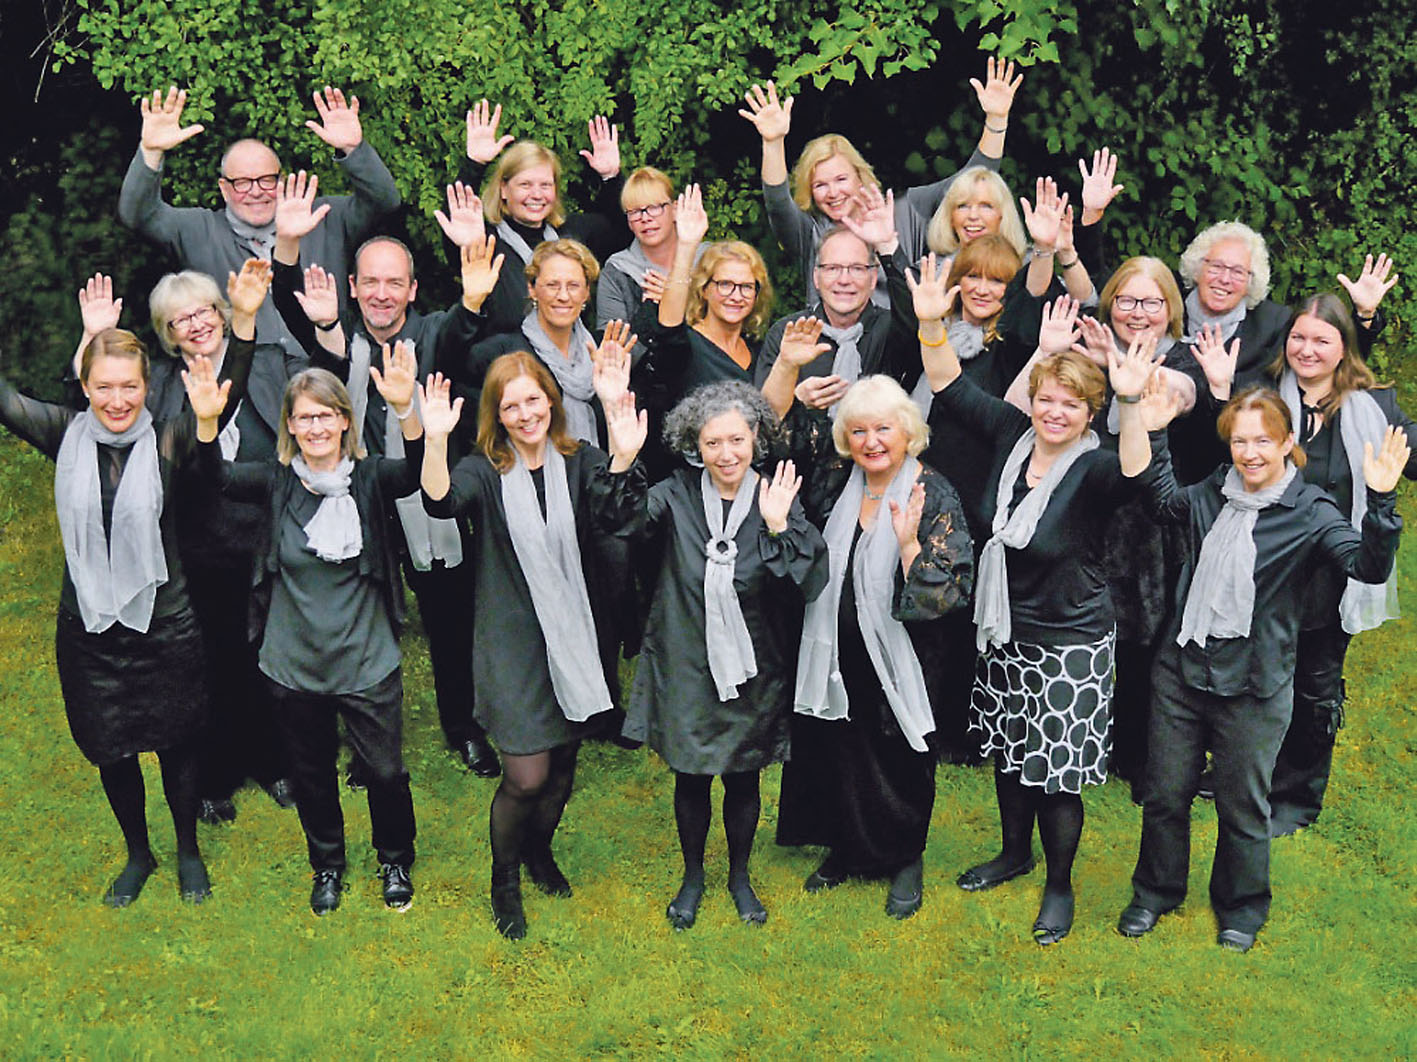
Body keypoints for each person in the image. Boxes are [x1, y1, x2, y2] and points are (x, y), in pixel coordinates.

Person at [911, 251, 1162, 945]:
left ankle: (1058, 885)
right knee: (1011, 752)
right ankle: (1012, 853)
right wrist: (932, 322)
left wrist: (1135, 399)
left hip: (1069, 641)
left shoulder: (1097, 468)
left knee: (1055, 775)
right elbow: (947, 384)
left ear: (1089, 412)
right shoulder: (1007, 436)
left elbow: (1142, 476)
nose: (1054, 412)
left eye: (1071, 404)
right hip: (1004, 629)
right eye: (1046, 399)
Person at [0, 259, 267, 908]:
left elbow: (220, 404)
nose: (117, 400)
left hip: (165, 623)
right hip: (88, 630)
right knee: (111, 750)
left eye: (128, 386)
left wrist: (248, 325)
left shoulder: (172, 440)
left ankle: (185, 849)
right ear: (84, 386)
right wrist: (92, 333)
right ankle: (137, 854)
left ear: (147, 386)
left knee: (176, 747)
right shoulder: (62, 435)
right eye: (103, 386)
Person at [1118, 388, 1406, 952]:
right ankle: (1156, 892)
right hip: (1181, 671)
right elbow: (1162, 502)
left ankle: (1242, 906)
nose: (1250, 453)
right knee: (1165, 795)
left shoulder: (1310, 510)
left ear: (1287, 443)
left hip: (1255, 683)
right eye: (1240, 440)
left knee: (1243, 805)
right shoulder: (1213, 492)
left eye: (1263, 441)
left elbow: (1367, 567)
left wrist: (1381, 500)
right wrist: (1152, 431)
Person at [270, 174, 501, 778]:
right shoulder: (335, 335)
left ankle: (463, 723)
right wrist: (289, 248)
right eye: (369, 281)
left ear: (411, 289)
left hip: (426, 495)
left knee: (450, 615)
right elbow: (289, 300)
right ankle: (362, 737)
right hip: (361, 502)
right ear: (352, 286)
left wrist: (472, 299)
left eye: (393, 282)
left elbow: (461, 327)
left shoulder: (430, 336)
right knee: (361, 616)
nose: (380, 293)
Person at [187, 343, 425, 915]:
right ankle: (328, 866)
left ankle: (394, 856)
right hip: (293, 663)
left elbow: (418, 471)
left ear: (345, 419)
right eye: (304, 416)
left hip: (366, 658)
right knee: (311, 774)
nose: (316, 425)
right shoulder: (275, 482)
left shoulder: (369, 479)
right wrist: (205, 420)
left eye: (326, 414)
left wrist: (406, 410)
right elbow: (212, 475)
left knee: (387, 773)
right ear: (290, 426)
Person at [419, 353, 646, 940]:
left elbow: (621, 517)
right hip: (512, 639)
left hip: (576, 632)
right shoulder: (484, 469)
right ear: (497, 413)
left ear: (552, 401)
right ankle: (504, 881)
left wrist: (622, 455)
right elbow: (439, 502)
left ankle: (539, 853)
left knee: (564, 764)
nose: (525, 413)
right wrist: (435, 441)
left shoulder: (581, 460)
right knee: (526, 775)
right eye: (510, 404)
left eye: (533, 399)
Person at [620, 382, 827, 929]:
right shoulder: (675, 493)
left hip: (755, 663)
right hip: (686, 655)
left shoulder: (776, 493)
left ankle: (739, 875)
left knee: (743, 776)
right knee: (690, 776)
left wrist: (782, 526)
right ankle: (692, 876)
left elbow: (807, 581)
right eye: (713, 442)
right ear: (695, 445)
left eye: (737, 439)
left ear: (756, 436)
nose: (727, 453)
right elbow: (623, 523)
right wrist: (621, 458)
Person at [778, 375, 974, 921]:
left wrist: (909, 542)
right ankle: (848, 848)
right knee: (838, 746)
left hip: (905, 654)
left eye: (884, 428)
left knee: (899, 753)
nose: (872, 441)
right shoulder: (839, 482)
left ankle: (904, 856)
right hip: (836, 645)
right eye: (859, 431)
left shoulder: (931, 491)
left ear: (906, 431)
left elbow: (950, 590)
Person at [138, 269, 300, 823]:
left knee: (269, 656)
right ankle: (216, 775)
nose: (197, 323)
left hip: (265, 532)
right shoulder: (156, 384)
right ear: (168, 333)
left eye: (205, 309)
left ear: (221, 311)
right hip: (198, 546)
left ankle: (276, 763)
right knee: (214, 662)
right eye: (181, 319)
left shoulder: (267, 363)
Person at [1255, 294, 1415, 834]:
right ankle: (1252, 773)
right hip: (1265, 565)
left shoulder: (1375, 407)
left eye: (1322, 340)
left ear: (1344, 348)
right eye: (1298, 337)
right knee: (1259, 677)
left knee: (1314, 684)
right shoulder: (1264, 397)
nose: (1307, 350)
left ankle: (1297, 797)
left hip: (1333, 574)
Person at [118, 86, 400, 355]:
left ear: (281, 180)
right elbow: (138, 215)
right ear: (223, 189)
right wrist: (151, 153)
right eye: (242, 183)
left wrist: (353, 149)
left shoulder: (322, 216)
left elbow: (383, 200)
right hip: (244, 388)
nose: (256, 192)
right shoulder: (197, 230)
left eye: (266, 180)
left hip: (325, 380)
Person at [739, 58, 1021, 306]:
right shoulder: (810, 231)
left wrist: (996, 120)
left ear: (861, 177)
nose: (833, 192)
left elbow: (971, 183)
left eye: (841, 179)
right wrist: (773, 142)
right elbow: (777, 203)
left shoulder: (906, 209)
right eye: (820, 185)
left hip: (899, 346)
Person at [452, 102, 631, 333]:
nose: (536, 195)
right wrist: (474, 165)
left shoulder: (573, 233)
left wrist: (611, 178)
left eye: (545, 185)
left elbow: (624, 232)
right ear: (504, 190)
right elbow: (456, 219)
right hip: (509, 362)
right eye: (525, 184)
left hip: (572, 362)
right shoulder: (484, 241)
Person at [634, 185, 774, 406]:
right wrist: (687, 245)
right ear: (704, 289)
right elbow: (669, 328)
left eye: (746, 286)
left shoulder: (760, 351)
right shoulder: (687, 345)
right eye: (725, 284)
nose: (736, 296)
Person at [596, 167, 707, 333]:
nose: (645, 218)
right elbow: (612, 345)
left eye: (655, 207)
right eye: (634, 212)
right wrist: (652, 313)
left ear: (675, 210)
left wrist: (678, 301)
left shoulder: (709, 259)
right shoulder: (617, 271)